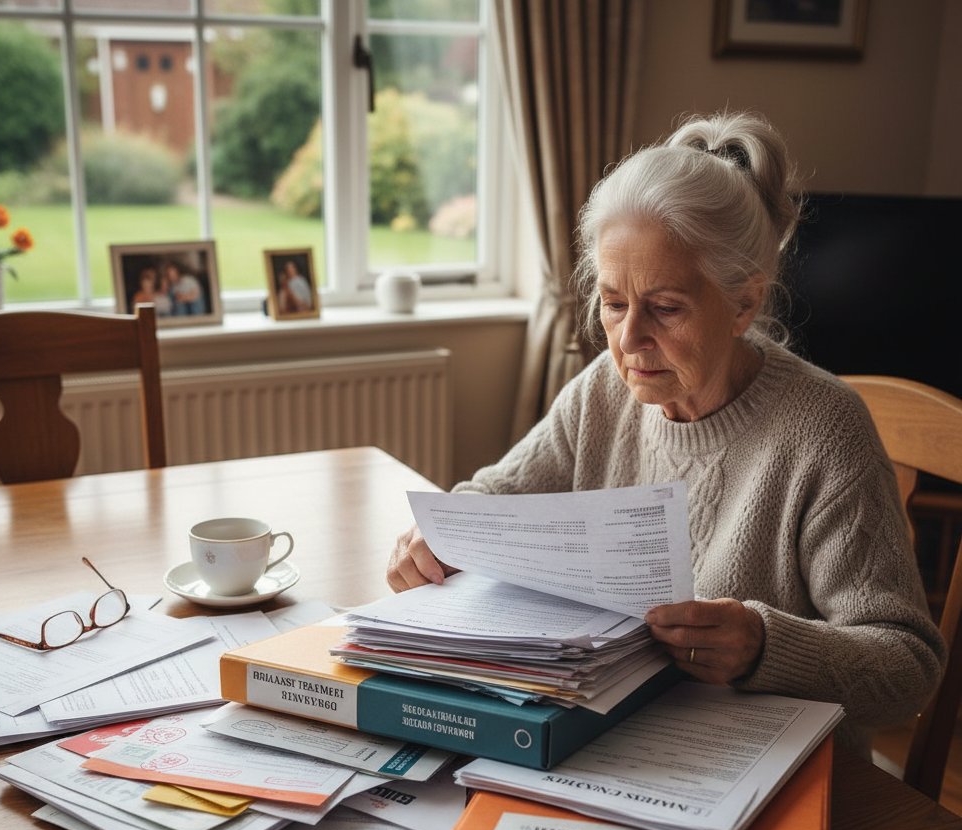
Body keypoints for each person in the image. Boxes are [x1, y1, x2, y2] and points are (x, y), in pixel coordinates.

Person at [386, 110, 946, 760]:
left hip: (780, 774)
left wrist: (764, 646)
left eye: (666, 307)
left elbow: (908, 667)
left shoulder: (825, 429)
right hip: (616, 744)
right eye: (614, 302)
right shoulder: (604, 390)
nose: (627, 341)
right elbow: (494, 496)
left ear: (744, 304)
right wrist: (442, 533)